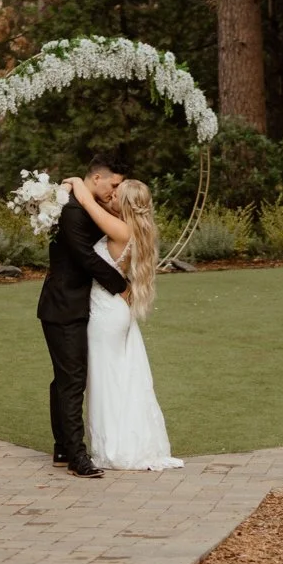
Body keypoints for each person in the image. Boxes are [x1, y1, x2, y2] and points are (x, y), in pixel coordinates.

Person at [62, 173, 182, 471]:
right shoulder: (139, 230)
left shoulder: (120, 229)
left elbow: (88, 204)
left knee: (106, 381)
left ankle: (113, 447)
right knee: (123, 377)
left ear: (126, 203)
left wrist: (77, 181)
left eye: (117, 194)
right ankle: (126, 441)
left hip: (106, 313)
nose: (111, 195)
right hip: (118, 312)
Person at [38, 161, 131, 477]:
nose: (113, 192)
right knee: (72, 380)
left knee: (64, 379)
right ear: (97, 178)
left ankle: (63, 447)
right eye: (113, 185)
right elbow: (86, 257)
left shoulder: (79, 204)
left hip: (67, 304)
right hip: (64, 305)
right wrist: (122, 285)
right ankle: (78, 457)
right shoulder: (74, 210)